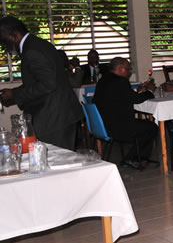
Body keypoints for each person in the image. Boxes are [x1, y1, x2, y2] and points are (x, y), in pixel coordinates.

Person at [0, 16, 83, 150]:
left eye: (4, 41)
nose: (5, 47)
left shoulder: (31, 50)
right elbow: (42, 80)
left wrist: (14, 94)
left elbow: (47, 84)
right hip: (59, 113)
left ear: (14, 35)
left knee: (57, 162)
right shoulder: (38, 44)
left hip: (53, 117)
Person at [93, 57, 157, 169]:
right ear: (121, 69)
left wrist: (138, 92)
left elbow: (123, 96)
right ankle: (133, 159)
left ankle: (137, 158)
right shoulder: (121, 81)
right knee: (151, 127)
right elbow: (136, 99)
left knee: (144, 126)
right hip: (118, 128)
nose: (130, 71)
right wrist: (150, 91)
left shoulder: (103, 80)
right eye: (128, 69)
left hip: (103, 125)